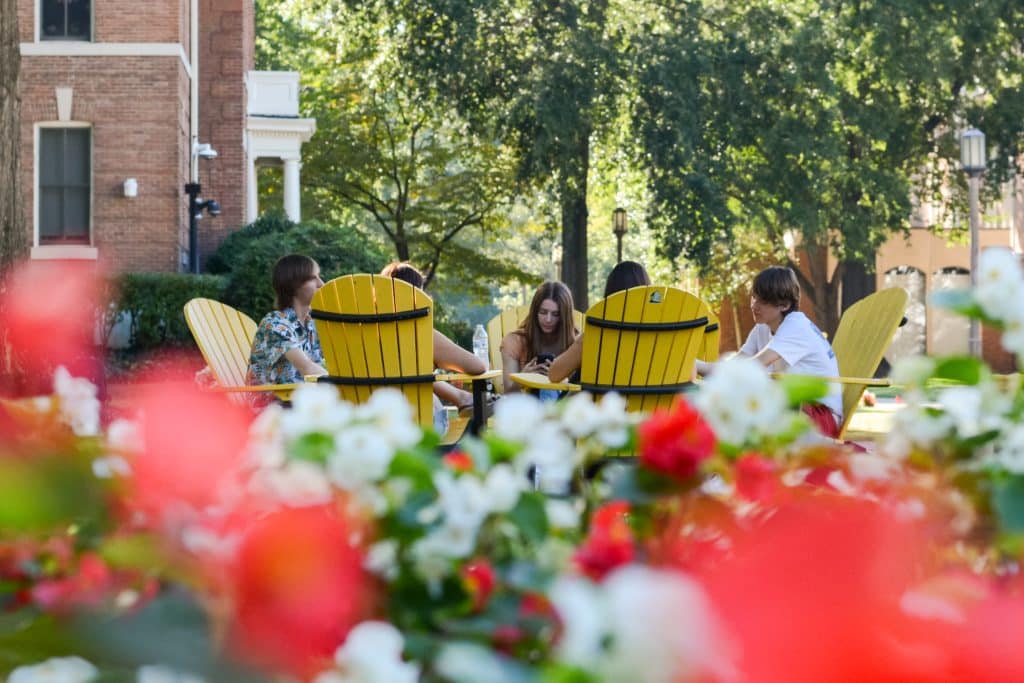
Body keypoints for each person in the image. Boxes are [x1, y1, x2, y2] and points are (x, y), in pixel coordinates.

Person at [695, 266, 842, 437]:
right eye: (754, 297)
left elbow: (752, 366)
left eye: (763, 301)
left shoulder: (796, 327)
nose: (754, 306)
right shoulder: (762, 328)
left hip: (820, 416)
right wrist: (694, 364)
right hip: (792, 407)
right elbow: (737, 365)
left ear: (784, 305)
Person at [379, 262, 487, 433]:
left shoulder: (359, 333)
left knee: (409, 372)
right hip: (421, 426)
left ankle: (462, 397)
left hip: (371, 426)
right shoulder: (420, 333)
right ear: (415, 295)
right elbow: (477, 367)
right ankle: (463, 398)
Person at [548, 261, 651, 383]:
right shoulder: (666, 335)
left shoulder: (595, 334)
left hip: (602, 401)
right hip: (656, 402)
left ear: (610, 293)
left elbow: (554, 374)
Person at [246, 254, 327, 394]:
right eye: (314, 278)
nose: (321, 284)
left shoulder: (311, 324)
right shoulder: (275, 325)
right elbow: (307, 368)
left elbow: (329, 362)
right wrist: (344, 383)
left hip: (299, 399)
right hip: (273, 407)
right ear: (295, 284)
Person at [499, 281, 578, 395]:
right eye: (543, 312)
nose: (548, 319)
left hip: (566, 405)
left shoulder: (577, 342)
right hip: (527, 407)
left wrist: (560, 378)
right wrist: (522, 379)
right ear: (535, 312)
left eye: (555, 314)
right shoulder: (514, 341)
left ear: (564, 317)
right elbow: (508, 393)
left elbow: (583, 391)